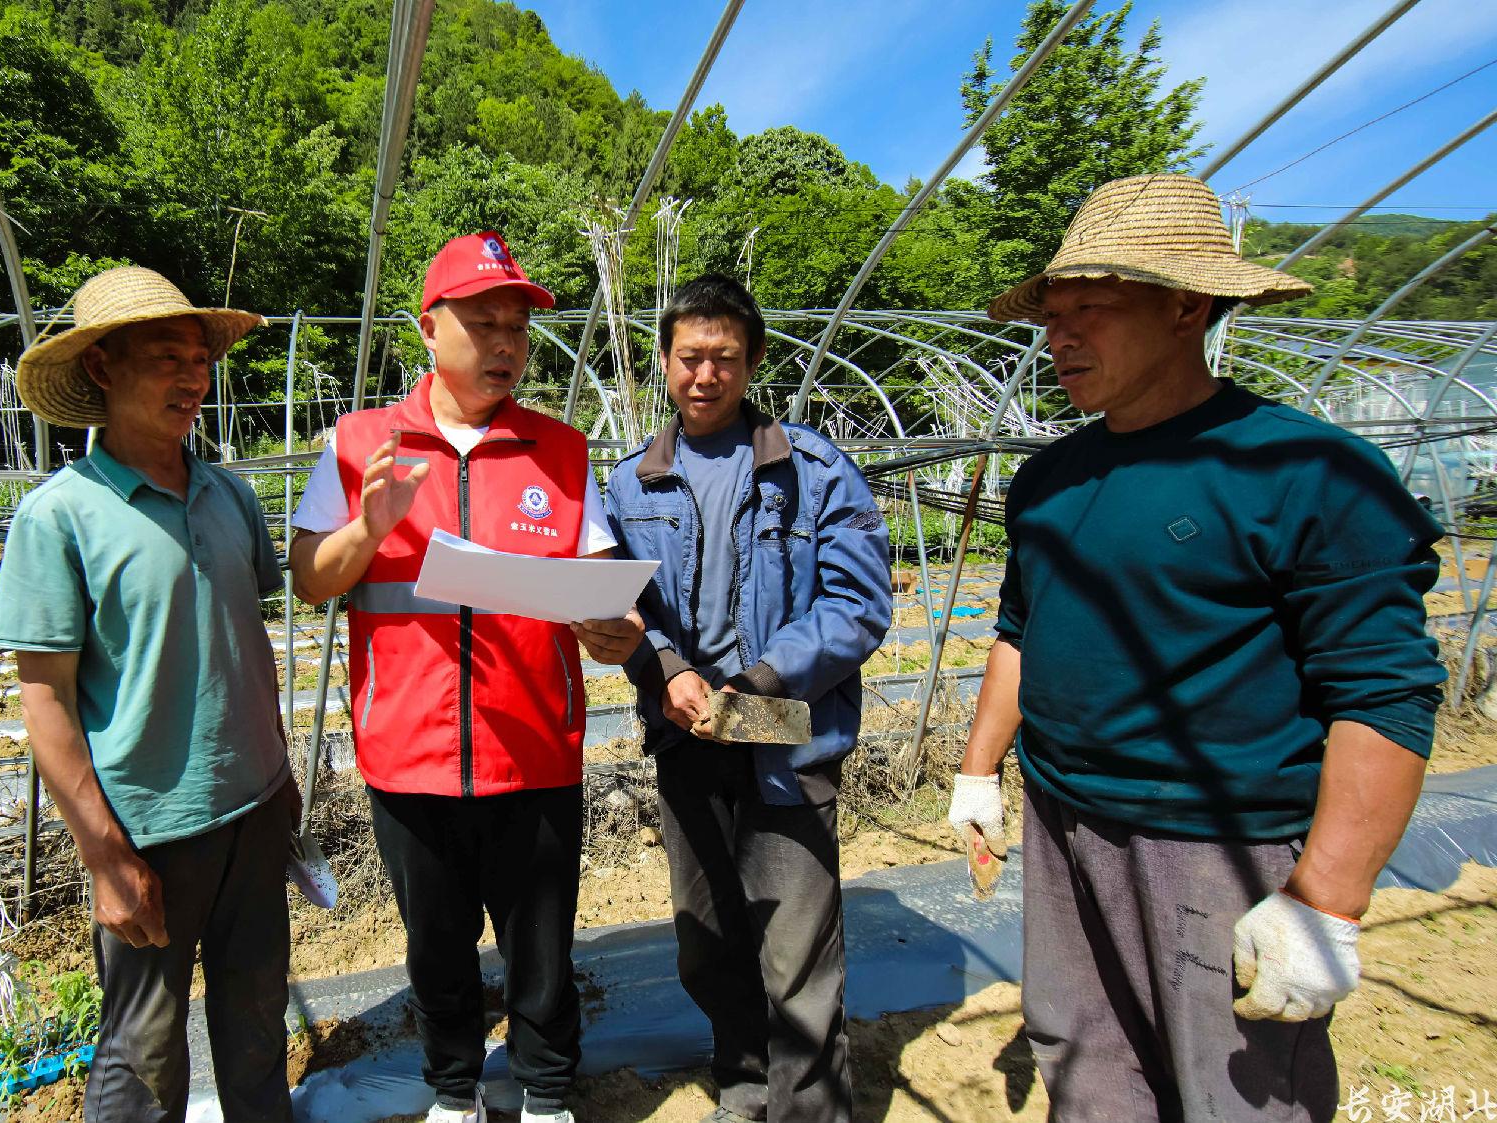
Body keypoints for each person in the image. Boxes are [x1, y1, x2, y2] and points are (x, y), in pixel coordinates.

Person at [948, 174, 1446, 1122]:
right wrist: (981, 771)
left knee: (1233, 1091)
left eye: (1090, 308)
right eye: (1052, 316)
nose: (1060, 337)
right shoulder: (1051, 477)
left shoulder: (1304, 470)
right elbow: (1022, 626)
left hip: (1218, 843)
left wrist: (1326, 899)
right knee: (1085, 1061)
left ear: (1188, 305)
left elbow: (1383, 692)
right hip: (1065, 822)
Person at [288, 231, 644, 1123]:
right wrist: (369, 527)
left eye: (518, 328)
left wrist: (615, 629)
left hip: (534, 750)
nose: (505, 344)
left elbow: (604, 578)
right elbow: (307, 577)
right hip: (408, 752)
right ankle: (455, 1089)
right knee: (436, 943)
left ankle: (549, 1088)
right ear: (428, 329)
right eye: (483, 322)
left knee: (541, 945)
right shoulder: (363, 443)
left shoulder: (559, 451)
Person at [0, 266, 299, 1122]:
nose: (192, 376)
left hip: (253, 810)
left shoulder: (229, 493)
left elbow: (248, 645)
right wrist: (104, 855)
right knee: (143, 1051)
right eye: (167, 356)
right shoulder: (60, 516)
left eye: (199, 358)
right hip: (148, 832)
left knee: (256, 1021)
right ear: (100, 368)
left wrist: (278, 771)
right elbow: (44, 702)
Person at [602, 274, 892, 1123]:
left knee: (796, 949)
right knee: (708, 937)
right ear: (664, 361)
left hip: (781, 724)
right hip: (687, 728)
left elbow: (859, 604)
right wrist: (663, 663)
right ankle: (742, 1087)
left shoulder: (813, 468)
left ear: (752, 360)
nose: (705, 374)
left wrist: (758, 681)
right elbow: (624, 605)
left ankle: (808, 1111)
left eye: (724, 357)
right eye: (689, 356)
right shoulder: (631, 484)